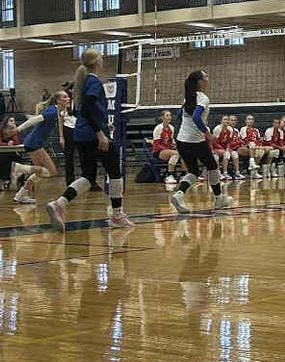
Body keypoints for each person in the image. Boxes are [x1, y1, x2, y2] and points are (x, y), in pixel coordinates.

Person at [45, 49, 135, 232]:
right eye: (101, 58)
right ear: (97, 62)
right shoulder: (93, 81)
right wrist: (100, 133)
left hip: (82, 134)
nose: (103, 61)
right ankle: (117, 216)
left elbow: (84, 110)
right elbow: (86, 108)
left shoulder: (83, 82)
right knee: (115, 173)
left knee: (88, 176)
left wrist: (103, 125)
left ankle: (59, 203)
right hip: (93, 136)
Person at [168, 70, 232, 217]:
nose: (208, 79)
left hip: (182, 140)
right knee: (212, 166)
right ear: (200, 82)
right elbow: (196, 117)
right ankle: (218, 199)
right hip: (195, 141)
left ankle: (179, 194)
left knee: (193, 171)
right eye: (206, 77)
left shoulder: (188, 97)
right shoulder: (203, 98)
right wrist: (207, 133)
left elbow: (179, 115)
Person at [10, 90, 69, 206]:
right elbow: (35, 120)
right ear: (58, 100)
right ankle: (19, 168)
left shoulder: (56, 112)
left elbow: (35, 118)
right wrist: (19, 129)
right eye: (65, 97)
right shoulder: (52, 111)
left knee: (39, 172)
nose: (68, 99)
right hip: (34, 143)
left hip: (33, 143)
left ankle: (21, 195)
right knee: (51, 171)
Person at [152, 109, 181, 185]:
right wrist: (168, 149)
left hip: (168, 150)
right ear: (162, 117)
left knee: (183, 153)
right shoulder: (158, 128)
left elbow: (171, 142)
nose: (169, 117)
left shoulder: (171, 128)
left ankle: (183, 174)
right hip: (158, 152)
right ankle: (169, 175)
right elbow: (156, 145)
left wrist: (174, 145)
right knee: (175, 154)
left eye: (170, 115)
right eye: (167, 115)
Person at [240, 115, 266, 179]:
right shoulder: (243, 129)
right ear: (246, 121)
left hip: (255, 146)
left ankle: (254, 172)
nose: (250, 121)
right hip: (246, 146)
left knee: (261, 151)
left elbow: (259, 140)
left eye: (252, 119)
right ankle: (251, 163)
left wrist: (259, 146)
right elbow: (245, 140)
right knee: (252, 144)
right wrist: (256, 146)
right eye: (249, 119)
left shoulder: (256, 130)